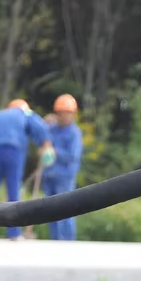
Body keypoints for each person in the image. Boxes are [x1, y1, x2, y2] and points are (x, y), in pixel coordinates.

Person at [0, 99, 54, 240]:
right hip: (13, 150)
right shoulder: (24, 112)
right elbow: (40, 127)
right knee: (13, 190)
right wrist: (46, 144)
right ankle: (14, 233)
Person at [41, 94, 84, 240]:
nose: (64, 116)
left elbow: (72, 156)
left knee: (65, 211)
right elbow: (43, 139)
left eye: (67, 113)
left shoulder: (74, 133)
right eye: (60, 113)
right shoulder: (51, 129)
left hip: (64, 177)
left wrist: (54, 151)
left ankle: (67, 243)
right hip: (49, 176)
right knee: (51, 212)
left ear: (72, 114)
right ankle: (55, 242)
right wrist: (44, 122)